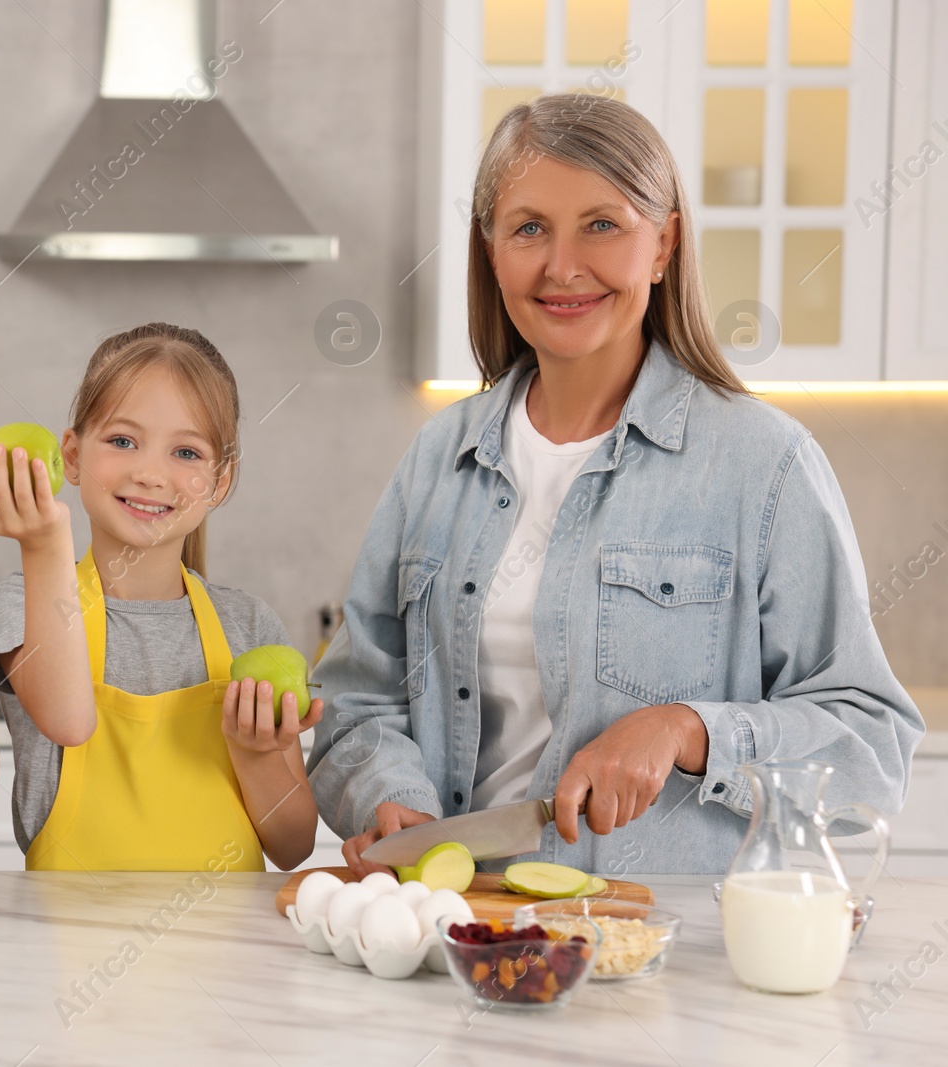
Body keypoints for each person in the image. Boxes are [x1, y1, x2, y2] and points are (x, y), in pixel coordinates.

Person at [308, 95, 924, 877]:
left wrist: (688, 731)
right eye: (529, 227)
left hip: (666, 960)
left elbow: (871, 742)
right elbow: (354, 702)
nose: (563, 266)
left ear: (663, 244)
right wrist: (390, 797)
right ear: (491, 250)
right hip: (457, 936)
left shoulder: (762, 464)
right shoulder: (438, 457)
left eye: (602, 224)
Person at [0, 323, 322, 872]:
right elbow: (69, 722)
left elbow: (293, 844)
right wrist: (42, 544)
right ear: (72, 455)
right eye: (123, 441)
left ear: (221, 480)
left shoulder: (248, 626)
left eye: (186, 452)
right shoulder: (27, 604)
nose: (151, 473)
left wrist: (258, 756)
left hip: (231, 951)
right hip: (64, 943)